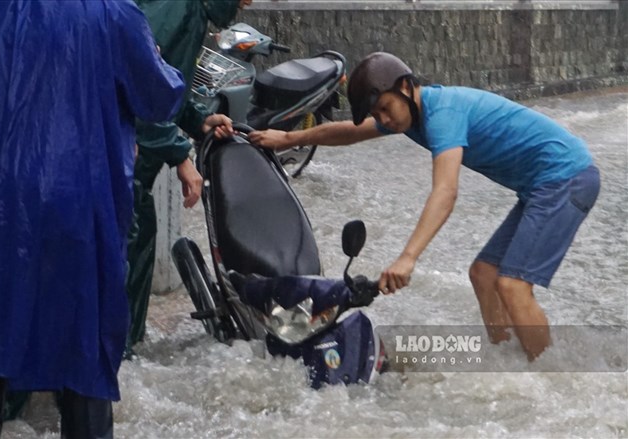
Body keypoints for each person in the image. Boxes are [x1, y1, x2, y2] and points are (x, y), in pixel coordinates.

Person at [249, 52, 600, 361]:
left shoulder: (442, 114)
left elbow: (445, 192)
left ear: (405, 86)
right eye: (377, 113)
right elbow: (348, 132)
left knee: (512, 285)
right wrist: (289, 138)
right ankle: (507, 356)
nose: (384, 120)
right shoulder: (411, 117)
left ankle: (548, 375)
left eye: (385, 108)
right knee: (483, 274)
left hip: (566, 177)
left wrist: (408, 257)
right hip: (541, 185)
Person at [0, 1, 185, 437]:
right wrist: (160, 59)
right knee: (85, 347)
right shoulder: (117, 14)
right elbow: (160, 97)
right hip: (82, 207)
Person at [125, 0, 253, 355]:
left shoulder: (193, 12)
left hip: (133, 159)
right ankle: (115, 356)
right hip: (122, 157)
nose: (248, 2)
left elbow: (168, 84)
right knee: (131, 237)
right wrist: (181, 154)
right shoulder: (178, 7)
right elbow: (139, 81)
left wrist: (197, 120)